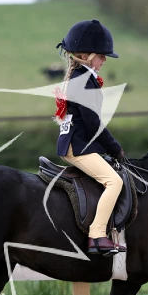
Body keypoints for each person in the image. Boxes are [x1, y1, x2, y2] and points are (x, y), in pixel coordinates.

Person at [54, 19, 126, 255]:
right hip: (78, 147)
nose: (104, 60)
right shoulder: (84, 80)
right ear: (87, 56)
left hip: (79, 143)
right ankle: (97, 236)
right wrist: (115, 148)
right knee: (114, 182)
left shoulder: (81, 77)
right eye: (102, 56)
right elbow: (93, 123)